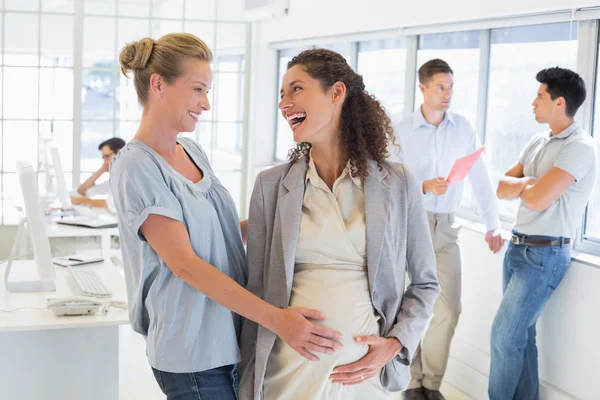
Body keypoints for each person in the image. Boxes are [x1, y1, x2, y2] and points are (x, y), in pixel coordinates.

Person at [111, 34, 343, 400]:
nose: (205, 103)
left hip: (228, 337)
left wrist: (295, 217)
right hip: (193, 353)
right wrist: (277, 320)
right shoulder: (136, 165)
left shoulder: (190, 150)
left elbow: (215, 235)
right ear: (158, 84)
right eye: (197, 89)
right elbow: (184, 264)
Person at [239, 48, 440, 400]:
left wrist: (395, 344)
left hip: (367, 377)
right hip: (288, 372)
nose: (284, 103)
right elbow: (257, 287)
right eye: (282, 94)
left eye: (296, 89)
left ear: (336, 93)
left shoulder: (397, 183)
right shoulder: (271, 186)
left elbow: (425, 283)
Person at [392, 59, 503, 400]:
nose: (447, 93)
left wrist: (492, 224)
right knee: (410, 305)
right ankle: (411, 382)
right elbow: (386, 179)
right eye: (440, 86)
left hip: (447, 228)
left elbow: (481, 179)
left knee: (449, 308)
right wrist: (423, 186)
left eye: (451, 86)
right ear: (423, 88)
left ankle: (431, 383)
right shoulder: (400, 128)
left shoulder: (463, 127)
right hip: (413, 222)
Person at [490, 67, 596, 400]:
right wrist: (531, 182)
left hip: (545, 254)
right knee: (522, 337)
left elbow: (536, 199)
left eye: (540, 96)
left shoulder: (579, 147)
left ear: (559, 102)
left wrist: (526, 186)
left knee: (503, 337)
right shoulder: (540, 139)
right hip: (517, 247)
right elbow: (501, 187)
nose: (532, 102)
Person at [71, 137, 125, 209]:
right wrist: (102, 170)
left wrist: (81, 200)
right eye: (103, 158)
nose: (105, 162)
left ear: (119, 152)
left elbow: (113, 204)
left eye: (107, 156)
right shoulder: (114, 180)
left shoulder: (129, 177)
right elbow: (82, 191)